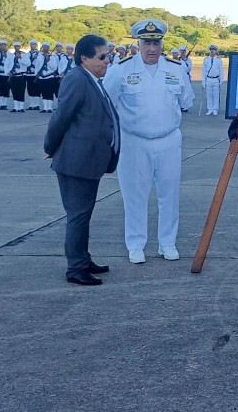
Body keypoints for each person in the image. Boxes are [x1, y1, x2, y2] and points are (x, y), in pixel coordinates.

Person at [103, 19, 195, 264]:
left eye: (156, 42)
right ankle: (135, 244)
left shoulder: (175, 70)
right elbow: (107, 104)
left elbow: (187, 101)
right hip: (134, 141)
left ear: (162, 43)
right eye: (147, 43)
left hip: (168, 140)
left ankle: (167, 243)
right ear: (138, 43)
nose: (152, 48)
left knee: (169, 194)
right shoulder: (121, 69)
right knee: (134, 195)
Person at [44, 34, 120, 286]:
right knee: (78, 215)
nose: (107, 60)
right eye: (102, 56)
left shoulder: (92, 78)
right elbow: (61, 117)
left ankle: (83, 259)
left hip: (88, 161)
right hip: (76, 162)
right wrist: (50, 146)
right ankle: (76, 268)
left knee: (83, 214)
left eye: (108, 55)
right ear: (84, 58)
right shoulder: (77, 79)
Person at [7, 41, 30, 112]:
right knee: (14, 91)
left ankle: (21, 106)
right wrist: (9, 72)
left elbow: (28, 63)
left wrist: (21, 58)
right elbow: (7, 64)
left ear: (20, 47)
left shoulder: (24, 54)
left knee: (21, 91)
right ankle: (16, 106)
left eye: (18, 46)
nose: (17, 47)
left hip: (21, 76)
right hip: (13, 76)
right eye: (15, 46)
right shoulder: (11, 55)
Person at [36, 42, 59, 113]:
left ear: (48, 48)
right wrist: (37, 74)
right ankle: (45, 107)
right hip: (42, 77)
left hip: (49, 77)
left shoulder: (53, 57)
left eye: (46, 47)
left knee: (49, 92)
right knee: (44, 93)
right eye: (44, 47)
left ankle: (49, 107)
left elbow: (54, 67)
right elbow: (37, 66)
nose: (45, 48)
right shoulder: (40, 56)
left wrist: (49, 61)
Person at [202, 44, 224, 116]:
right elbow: (204, 71)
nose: (212, 51)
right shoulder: (206, 60)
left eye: (213, 50)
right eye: (211, 50)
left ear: (215, 51)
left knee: (216, 95)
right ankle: (210, 109)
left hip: (215, 79)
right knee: (209, 95)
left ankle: (215, 109)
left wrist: (221, 79)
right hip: (208, 79)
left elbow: (221, 70)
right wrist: (203, 81)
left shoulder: (219, 60)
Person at [25, 39, 42, 111]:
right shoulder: (27, 54)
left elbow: (41, 62)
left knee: (37, 89)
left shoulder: (39, 54)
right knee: (30, 89)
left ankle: (37, 105)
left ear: (36, 45)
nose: (32, 46)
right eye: (31, 44)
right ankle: (31, 104)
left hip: (36, 74)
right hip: (29, 74)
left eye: (34, 44)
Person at [0, 39, 9, 110]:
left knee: (6, 89)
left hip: (6, 74)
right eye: (1, 45)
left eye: (4, 45)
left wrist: (6, 56)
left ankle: (5, 104)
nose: (2, 46)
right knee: (0, 89)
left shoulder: (9, 54)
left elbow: (11, 63)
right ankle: (1, 104)